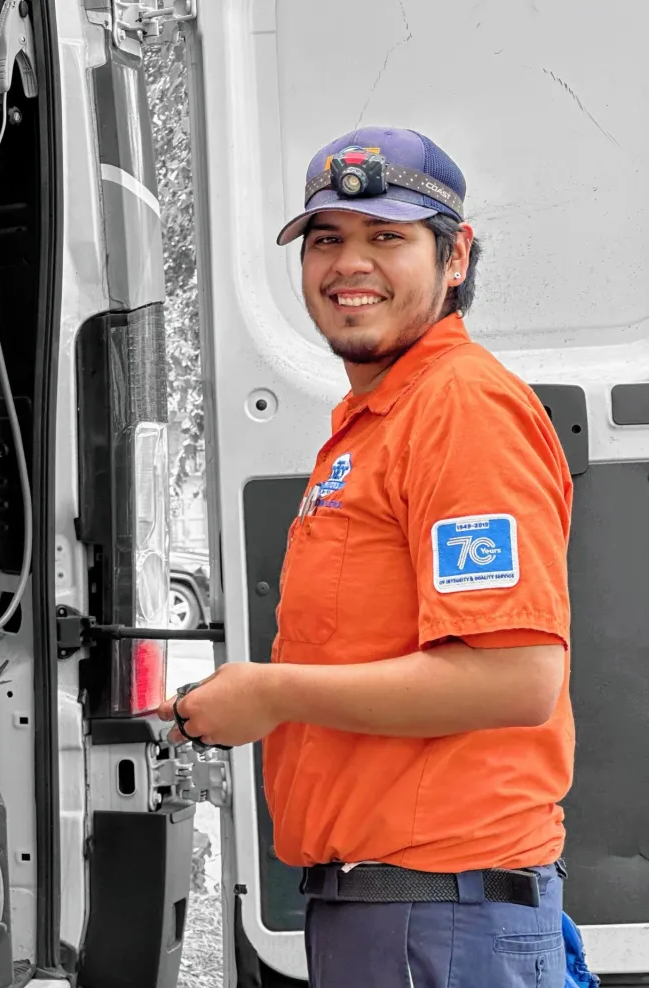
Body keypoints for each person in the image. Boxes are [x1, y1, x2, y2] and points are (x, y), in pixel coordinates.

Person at [158, 126, 575, 987]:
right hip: (395, 918)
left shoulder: (461, 411)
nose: (351, 265)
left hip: (438, 924)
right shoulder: (378, 421)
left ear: (455, 256)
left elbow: (516, 677)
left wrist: (270, 694)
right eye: (327, 239)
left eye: (387, 237)